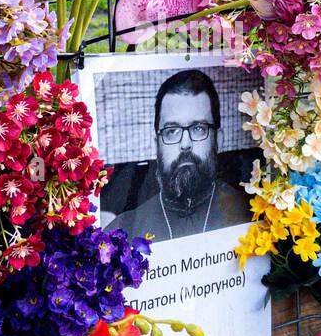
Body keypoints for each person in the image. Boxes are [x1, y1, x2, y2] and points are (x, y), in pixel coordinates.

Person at [107, 70, 251, 242]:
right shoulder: (121, 233)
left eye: (198, 128)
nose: (185, 144)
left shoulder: (251, 212)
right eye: (172, 131)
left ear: (218, 139)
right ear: (157, 144)